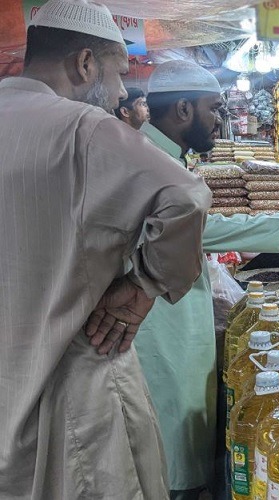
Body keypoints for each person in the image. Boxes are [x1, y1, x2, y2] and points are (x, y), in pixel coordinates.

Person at [0, 1, 211, 499]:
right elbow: (185, 196)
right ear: (85, 63)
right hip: (72, 391)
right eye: (118, 74)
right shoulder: (82, 127)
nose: (120, 93)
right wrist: (143, 286)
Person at [140, 59, 279, 500]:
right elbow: (195, 230)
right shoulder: (149, 164)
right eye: (214, 108)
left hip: (175, 305)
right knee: (171, 416)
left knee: (183, 412)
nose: (219, 119)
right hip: (159, 316)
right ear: (183, 109)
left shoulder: (167, 158)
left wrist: (278, 225)